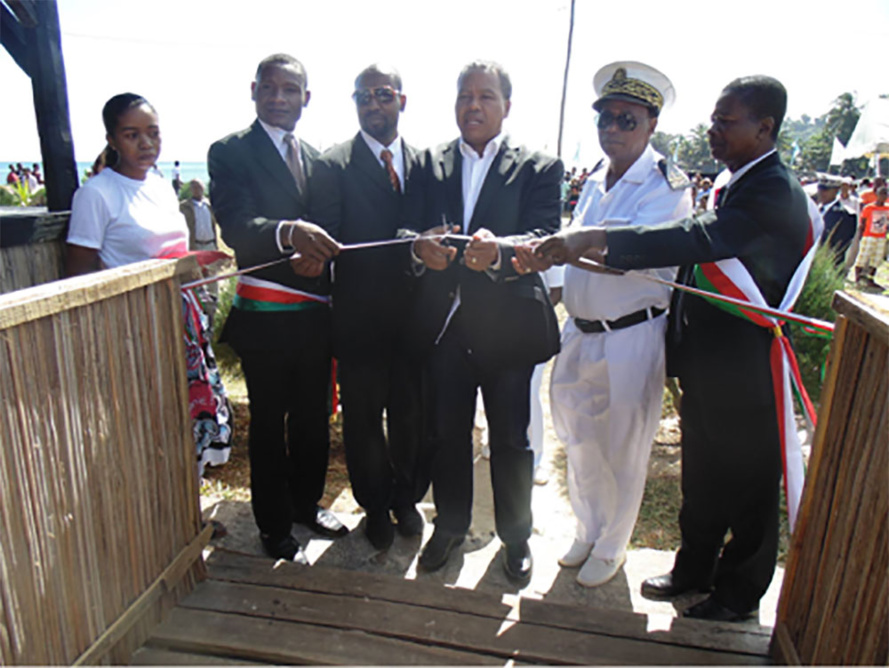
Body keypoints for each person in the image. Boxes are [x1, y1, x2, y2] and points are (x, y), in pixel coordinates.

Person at [518, 75, 814, 622]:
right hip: (707, 363)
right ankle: (693, 570)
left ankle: (737, 594)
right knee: (703, 474)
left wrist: (595, 237)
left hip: (745, 364)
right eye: (714, 119)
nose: (714, 130)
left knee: (749, 480)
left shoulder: (773, 187)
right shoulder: (737, 180)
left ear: (765, 127)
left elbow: (694, 237)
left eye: (727, 122)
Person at [410, 61, 562, 582]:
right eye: (464, 96)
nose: (473, 106)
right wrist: (419, 245)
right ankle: (449, 526)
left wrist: (499, 253)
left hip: (507, 326)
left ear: (507, 107)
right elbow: (408, 225)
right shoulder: (429, 161)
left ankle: (515, 536)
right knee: (446, 434)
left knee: (511, 439)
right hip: (445, 324)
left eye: (486, 97)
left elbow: (545, 233)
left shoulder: (539, 166)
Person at [544, 62, 693, 588]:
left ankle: (613, 544)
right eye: (604, 118)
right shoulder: (594, 180)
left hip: (632, 334)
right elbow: (567, 258)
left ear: (652, 124)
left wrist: (569, 246)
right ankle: (588, 528)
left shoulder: (666, 185)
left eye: (626, 120)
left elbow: (627, 252)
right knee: (579, 439)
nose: (612, 129)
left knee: (623, 446)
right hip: (580, 331)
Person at [207, 53, 347, 564]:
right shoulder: (229, 152)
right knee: (269, 424)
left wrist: (319, 258)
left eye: (291, 90)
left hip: (315, 313)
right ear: (254, 90)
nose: (279, 98)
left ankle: (306, 505)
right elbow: (238, 227)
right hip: (266, 316)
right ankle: (271, 524)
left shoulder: (318, 156)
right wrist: (291, 235)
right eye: (270, 88)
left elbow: (333, 223)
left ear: (306, 98)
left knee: (313, 420)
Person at [65, 92, 232, 479]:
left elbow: (170, 250)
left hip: (182, 322)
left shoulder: (159, 185)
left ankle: (187, 512)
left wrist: (194, 263)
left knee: (183, 419)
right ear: (111, 140)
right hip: (133, 330)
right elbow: (79, 278)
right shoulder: (96, 194)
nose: (145, 144)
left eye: (152, 133)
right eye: (131, 134)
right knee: (146, 424)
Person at [307, 64, 428, 550]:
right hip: (359, 320)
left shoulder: (426, 163)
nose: (373, 105)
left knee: (411, 417)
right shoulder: (333, 165)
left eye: (383, 95)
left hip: (417, 319)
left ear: (403, 99)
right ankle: (374, 506)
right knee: (362, 421)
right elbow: (332, 242)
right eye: (363, 97)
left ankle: (406, 499)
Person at [816, 177, 856, 267]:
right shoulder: (814, 209)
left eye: (826, 190)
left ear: (836, 190)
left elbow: (841, 245)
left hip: (827, 262)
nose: (821, 193)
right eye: (820, 189)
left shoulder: (845, 215)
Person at [854, 185, 888, 287]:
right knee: (863, 257)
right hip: (869, 235)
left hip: (881, 236)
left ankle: (870, 279)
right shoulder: (869, 208)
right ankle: (858, 279)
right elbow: (862, 222)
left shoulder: (887, 208)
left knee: (876, 259)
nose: (883, 197)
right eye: (881, 194)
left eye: (885, 195)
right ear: (877, 195)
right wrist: (861, 236)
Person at [180, 179, 219, 251]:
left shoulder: (210, 204)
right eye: (194, 187)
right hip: (195, 246)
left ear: (203, 188)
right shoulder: (184, 206)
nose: (197, 190)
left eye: (199, 187)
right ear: (190, 190)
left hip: (211, 245)